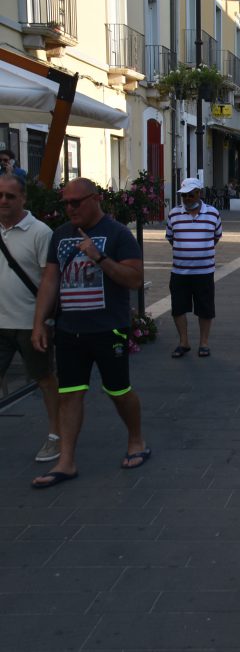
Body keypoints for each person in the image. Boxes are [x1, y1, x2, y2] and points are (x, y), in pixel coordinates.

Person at [30, 178, 148, 489]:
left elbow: (134, 279)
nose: (69, 209)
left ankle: (136, 440)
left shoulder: (118, 235)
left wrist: (99, 257)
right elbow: (50, 281)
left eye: (76, 202)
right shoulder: (61, 236)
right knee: (69, 394)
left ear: (95, 199)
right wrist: (39, 322)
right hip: (70, 330)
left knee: (118, 391)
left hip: (108, 329)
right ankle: (66, 460)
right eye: (65, 203)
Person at [0, 173, 60, 462]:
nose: (3, 201)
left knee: (45, 379)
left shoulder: (40, 232)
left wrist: (43, 323)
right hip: (0, 322)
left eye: (10, 196)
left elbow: (50, 280)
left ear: (23, 198)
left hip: (30, 324)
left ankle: (56, 436)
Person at [166, 177, 223, 358]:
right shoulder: (174, 214)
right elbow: (171, 238)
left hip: (204, 271)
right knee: (178, 308)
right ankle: (184, 342)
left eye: (191, 195)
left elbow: (216, 236)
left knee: (205, 308)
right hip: (179, 271)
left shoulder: (212, 213)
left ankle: (203, 343)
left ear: (199, 193)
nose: (187, 199)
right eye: (184, 196)